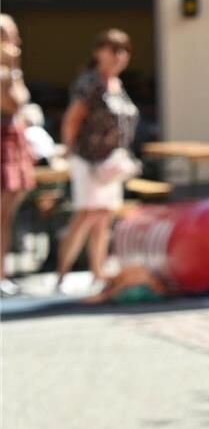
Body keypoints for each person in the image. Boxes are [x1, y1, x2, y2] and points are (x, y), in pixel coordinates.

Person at [55, 29, 141, 293]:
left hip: (111, 161)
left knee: (104, 216)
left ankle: (98, 271)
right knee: (86, 214)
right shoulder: (90, 83)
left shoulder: (118, 85)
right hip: (88, 160)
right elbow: (72, 120)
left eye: (123, 50)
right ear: (98, 52)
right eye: (113, 49)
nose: (119, 56)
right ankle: (62, 274)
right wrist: (71, 151)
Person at [1, 14, 33, 297]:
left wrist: (13, 67)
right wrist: (10, 68)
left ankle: (2, 273)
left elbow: (21, 100)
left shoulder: (11, 68)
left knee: (6, 215)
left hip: (12, 138)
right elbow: (10, 101)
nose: (17, 42)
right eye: (12, 35)